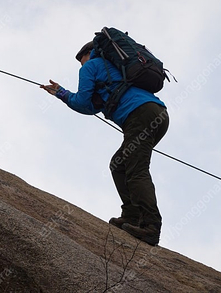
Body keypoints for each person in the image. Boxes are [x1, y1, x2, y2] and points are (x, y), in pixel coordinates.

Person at [40, 40, 169, 246]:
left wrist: (64, 95)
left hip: (139, 115)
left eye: (81, 61)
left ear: (88, 54)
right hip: (156, 114)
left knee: (136, 169)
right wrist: (62, 93)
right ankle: (132, 215)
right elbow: (94, 106)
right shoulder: (114, 69)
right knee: (119, 164)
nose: (82, 66)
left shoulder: (91, 65)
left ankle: (151, 227)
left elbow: (83, 103)